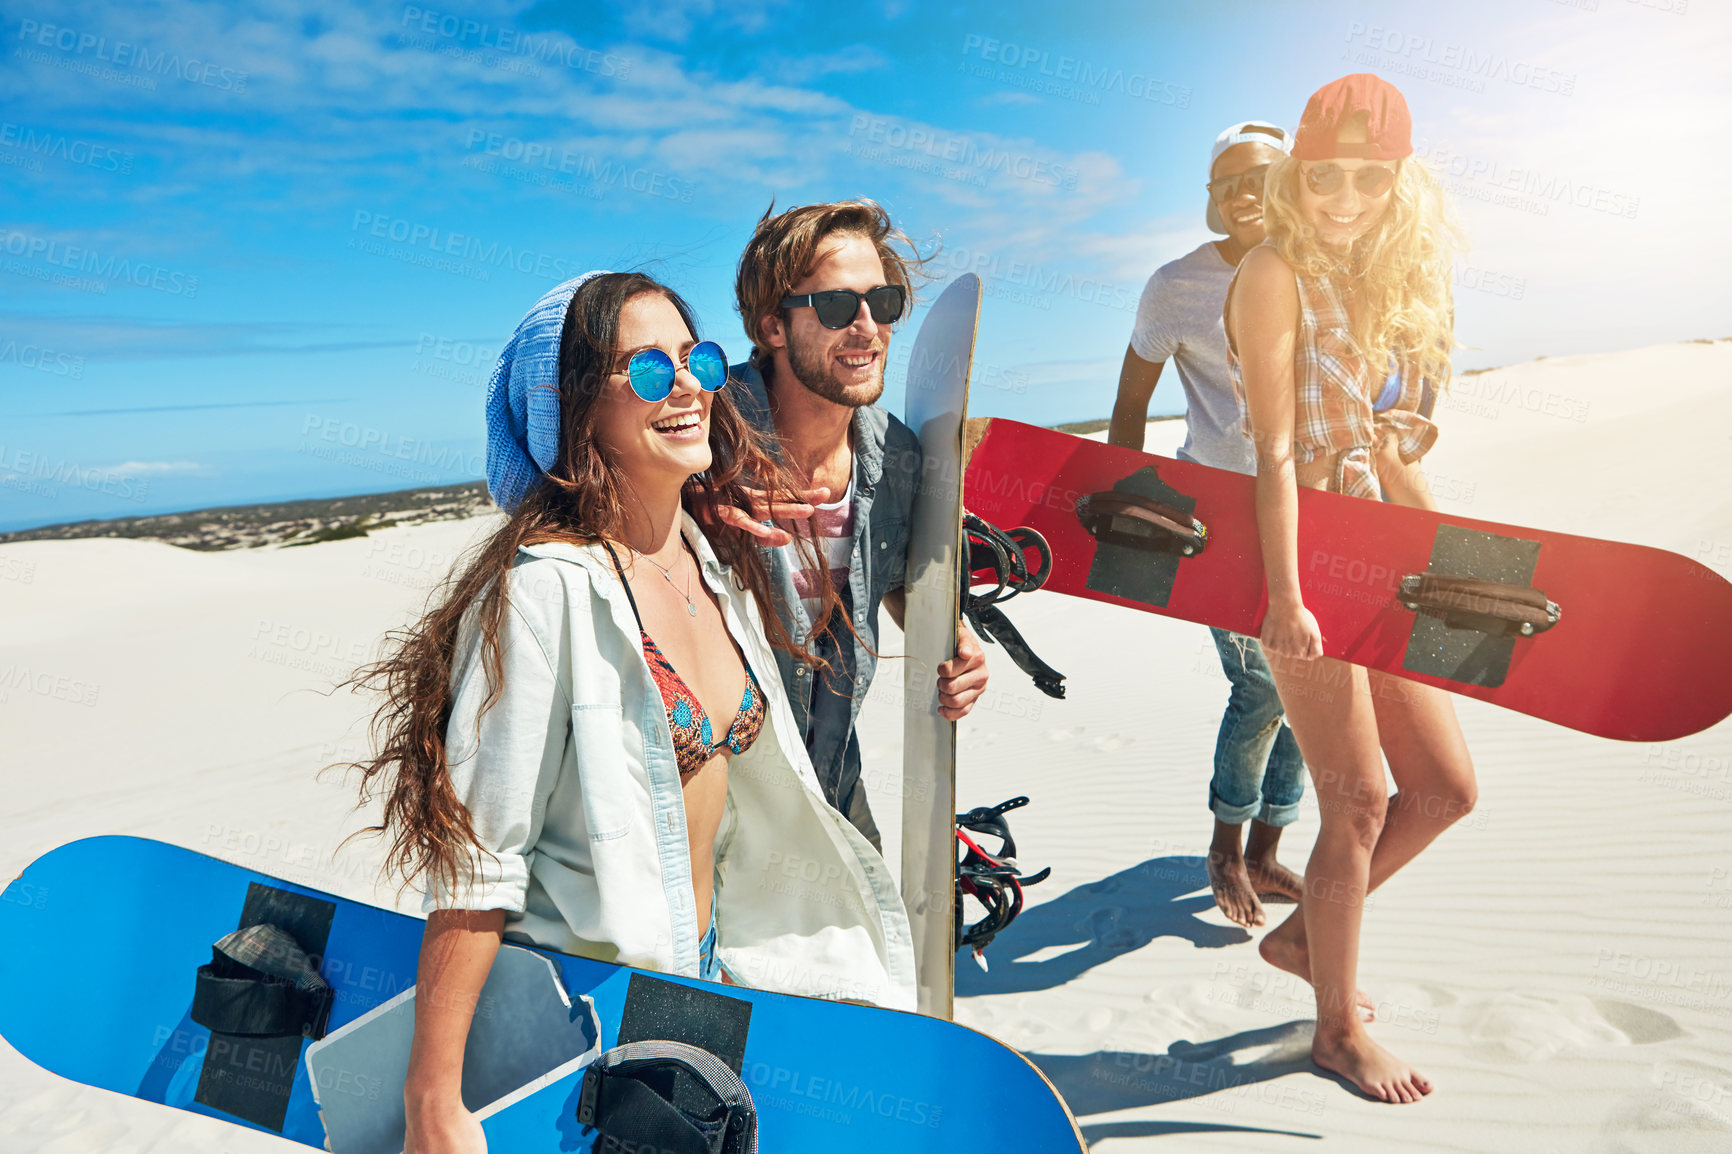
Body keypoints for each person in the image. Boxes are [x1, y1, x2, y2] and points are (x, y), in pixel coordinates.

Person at [343, 271, 916, 1153]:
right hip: (585, 1037)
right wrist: (433, 1099)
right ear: (573, 417)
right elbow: (478, 861)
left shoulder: (709, 561)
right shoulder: (543, 592)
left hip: (701, 998)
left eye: (697, 360)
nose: (686, 385)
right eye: (646, 372)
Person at [1226, 74, 1476, 1103]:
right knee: (1359, 796)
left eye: (1366, 178)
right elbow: (1275, 453)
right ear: (1297, 173)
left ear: (1397, 180)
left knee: (1446, 790)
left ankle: (1301, 940)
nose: (1340, 196)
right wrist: (1285, 599)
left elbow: (1400, 446)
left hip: (1384, 559)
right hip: (1301, 558)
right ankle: (1335, 1026)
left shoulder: (1398, 282)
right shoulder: (1272, 269)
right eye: (1321, 175)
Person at [713, 200, 990, 850]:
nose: (867, 327)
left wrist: (948, 637)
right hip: (708, 793)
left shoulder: (896, 455)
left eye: (884, 303)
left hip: (831, 772)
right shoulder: (698, 437)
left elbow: (884, 569)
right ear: (772, 327)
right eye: (837, 307)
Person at [1108, 121, 1307, 930]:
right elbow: (1128, 406)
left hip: (1317, 505)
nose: (1244, 193)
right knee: (1262, 682)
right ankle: (1227, 846)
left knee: (1310, 681)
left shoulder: (1315, 265)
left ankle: (1267, 844)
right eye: (1226, 182)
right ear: (1210, 200)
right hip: (1218, 517)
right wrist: (1124, 513)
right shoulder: (1171, 286)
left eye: (1260, 176)